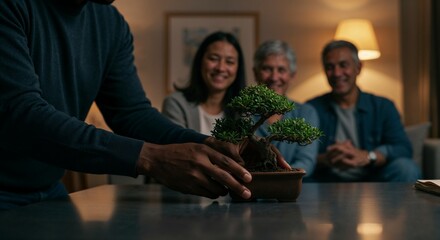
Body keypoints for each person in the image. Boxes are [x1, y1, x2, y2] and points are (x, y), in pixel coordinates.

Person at [0, 0, 290, 210]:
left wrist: (211, 145)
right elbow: (21, 115)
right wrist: (150, 158)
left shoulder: (110, 24)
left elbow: (132, 114)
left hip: (48, 189)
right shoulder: (12, 7)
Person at [306, 40, 421, 182]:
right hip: (327, 179)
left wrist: (368, 156)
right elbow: (299, 157)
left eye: (343, 65)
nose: (336, 73)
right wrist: (327, 158)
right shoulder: (311, 108)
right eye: (330, 67)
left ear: (358, 68)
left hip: (374, 177)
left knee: (406, 168)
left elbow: (403, 148)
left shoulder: (383, 106)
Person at [252, 40, 320, 177]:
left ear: (292, 75)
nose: (274, 77)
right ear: (255, 73)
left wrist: (277, 178)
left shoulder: (306, 113)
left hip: (295, 189)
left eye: (281, 70)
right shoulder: (242, 112)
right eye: (267, 69)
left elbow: (306, 162)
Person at [162, 31, 246, 135]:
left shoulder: (244, 110)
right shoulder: (176, 104)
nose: (221, 68)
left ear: (238, 68)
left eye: (229, 62)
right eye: (213, 59)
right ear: (200, 61)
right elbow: (177, 148)